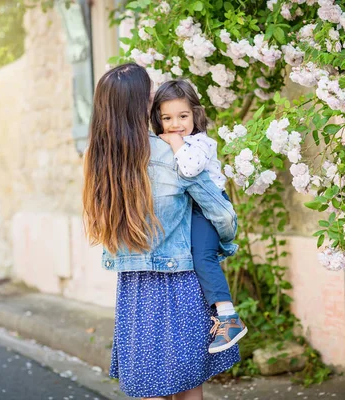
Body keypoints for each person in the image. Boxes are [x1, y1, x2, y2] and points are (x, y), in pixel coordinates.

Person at [83, 63, 240, 400]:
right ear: (140, 104)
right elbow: (221, 213)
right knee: (187, 386)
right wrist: (220, 246)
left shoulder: (98, 160)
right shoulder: (173, 152)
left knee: (147, 387)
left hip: (135, 291)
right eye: (150, 92)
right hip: (181, 282)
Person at [150, 80, 247, 354]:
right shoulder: (163, 141)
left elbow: (190, 169)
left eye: (183, 116)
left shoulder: (202, 143)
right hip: (188, 209)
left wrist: (175, 141)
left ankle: (228, 317)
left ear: (195, 114)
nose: (175, 124)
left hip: (207, 208)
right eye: (167, 118)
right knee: (192, 257)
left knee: (202, 256)